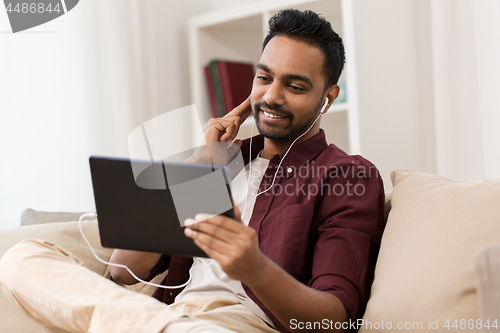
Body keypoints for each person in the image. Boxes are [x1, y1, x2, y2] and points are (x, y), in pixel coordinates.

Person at [0, 9, 385, 333]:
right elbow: (122, 271)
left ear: (327, 98)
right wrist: (202, 163)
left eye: (295, 86)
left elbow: (335, 320)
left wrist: (254, 268)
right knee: (22, 258)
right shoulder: (225, 161)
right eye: (264, 78)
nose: (270, 97)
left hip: (235, 323)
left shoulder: (348, 177)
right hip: (167, 313)